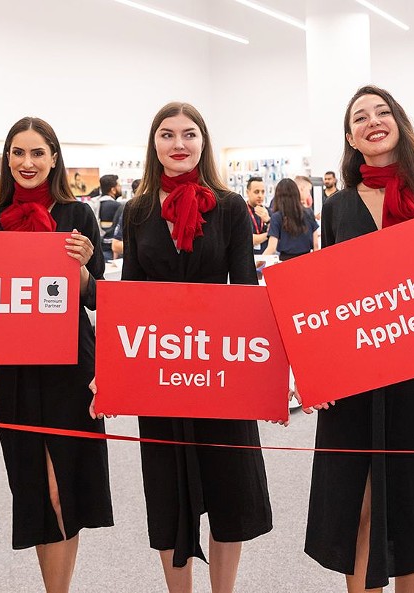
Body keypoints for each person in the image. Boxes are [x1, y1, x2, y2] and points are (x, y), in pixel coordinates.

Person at [304, 84, 414, 593]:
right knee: (358, 502)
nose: (372, 121)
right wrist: (318, 371)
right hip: (352, 376)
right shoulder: (337, 207)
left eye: (382, 112)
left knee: (412, 506)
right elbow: (326, 297)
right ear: (351, 139)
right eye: (360, 117)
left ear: (399, 122)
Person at [104, 101, 272, 593]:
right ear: (154, 145)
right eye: (167, 134)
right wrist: (115, 371)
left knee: (229, 490)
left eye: (189, 134)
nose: (179, 143)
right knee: (167, 492)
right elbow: (131, 294)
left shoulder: (230, 207)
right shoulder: (136, 212)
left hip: (220, 368)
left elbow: (244, 289)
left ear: (203, 142)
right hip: (159, 371)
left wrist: (258, 370)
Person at [0, 117, 112, 593]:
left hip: (71, 365)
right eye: (18, 153)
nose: (27, 162)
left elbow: (95, 297)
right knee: (34, 487)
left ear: (54, 158)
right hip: (16, 368)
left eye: (37, 153)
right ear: (7, 159)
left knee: (64, 486)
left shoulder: (79, 216)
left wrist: (80, 271)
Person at [261, 178, 318, 260]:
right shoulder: (309, 213)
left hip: (286, 262)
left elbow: (271, 248)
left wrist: (258, 264)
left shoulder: (277, 217)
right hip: (307, 260)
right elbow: (315, 245)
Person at [91, 174, 123, 261]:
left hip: (98, 248)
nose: (120, 188)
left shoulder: (95, 203)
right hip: (111, 251)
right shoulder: (117, 206)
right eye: (119, 186)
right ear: (113, 190)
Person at [245, 175, 270, 254]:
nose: (260, 195)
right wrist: (270, 234)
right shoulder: (242, 213)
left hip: (266, 255)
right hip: (249, 255)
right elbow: (251, 239)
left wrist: (269, 221)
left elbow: (278, 236)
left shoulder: (268, 211)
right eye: (256, 192)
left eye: (263, 192)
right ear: (247, 193)